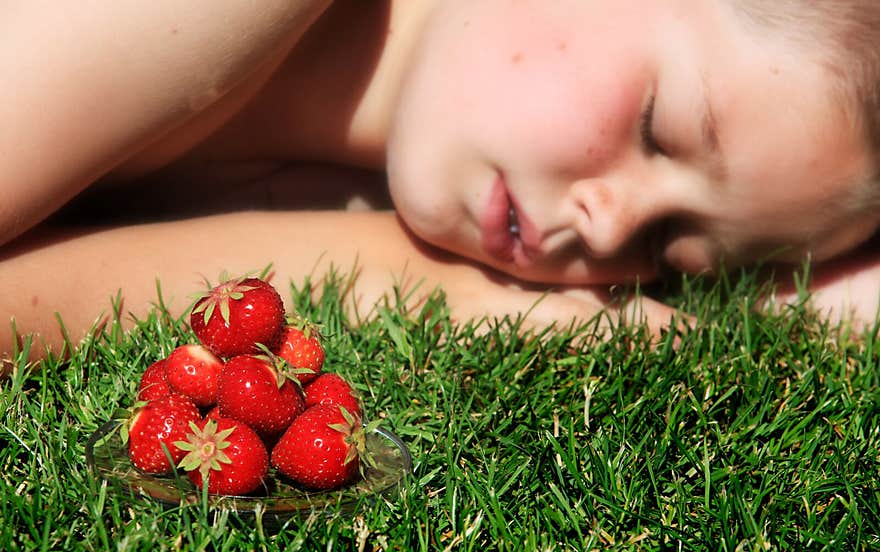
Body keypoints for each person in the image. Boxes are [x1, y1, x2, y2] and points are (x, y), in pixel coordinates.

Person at [1, 0, 878, 368]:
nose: (610, 232)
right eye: (658, 127)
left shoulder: (380, 161)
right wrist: (404, 274)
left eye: (669, 245)